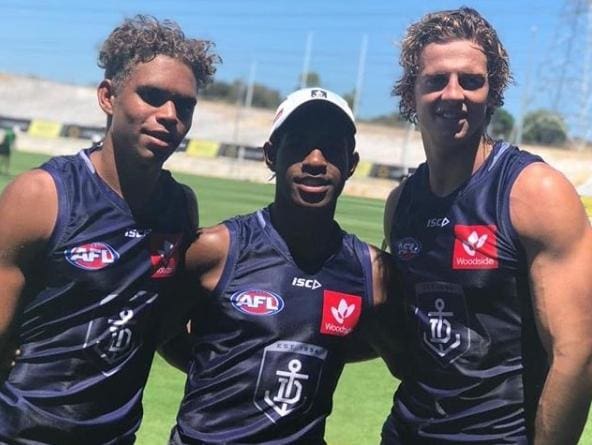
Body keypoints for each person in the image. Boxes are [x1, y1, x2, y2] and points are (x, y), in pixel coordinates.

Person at [0, 15, 218, 444]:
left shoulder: (180, 209)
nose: (169, 116)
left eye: (184, 105)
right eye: (152, 96)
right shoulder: (41, 196)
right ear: (108, 96)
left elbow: (161, 324)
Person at [382, 7, 592, 445]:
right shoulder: (401, 203)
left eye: (471, 80)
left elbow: (576, 354)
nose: (453, 94)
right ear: (411, 92)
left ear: (492, 91)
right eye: (436, 80)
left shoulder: (534, 193)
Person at [161, 87, 401, 445]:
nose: (316, 161)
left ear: (351, 163)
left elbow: (400, 354)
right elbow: (161, 330)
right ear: (272, 155)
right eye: (300, 144)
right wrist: (216, 363)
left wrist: (324, 351)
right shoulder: (217, 250)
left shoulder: (371, 271)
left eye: (332, 148)